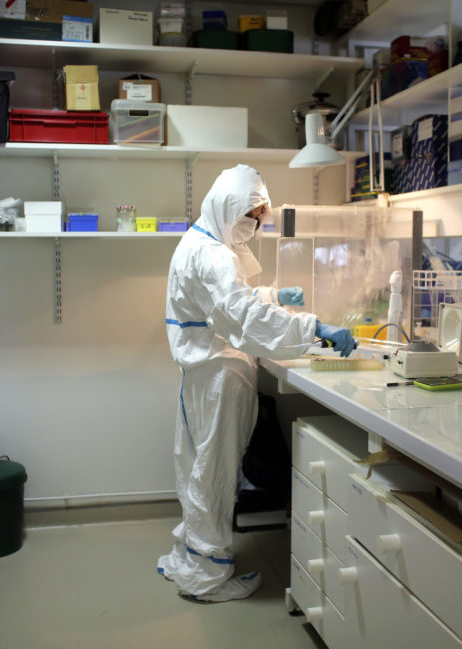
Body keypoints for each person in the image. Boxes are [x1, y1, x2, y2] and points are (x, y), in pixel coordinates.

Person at [158, 164, 355, 602]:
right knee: (215, 472)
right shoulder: (214, 255)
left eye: (260, 217)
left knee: (196, 466)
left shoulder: (199, 240)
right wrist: (314, 327)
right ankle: (207, 578)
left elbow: (225, 303)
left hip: (202, 372)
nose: (255, 225)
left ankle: (190, 558)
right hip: (219, 375)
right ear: (229, 207)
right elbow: (241, 317)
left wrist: (271, 296)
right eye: (251, 215)